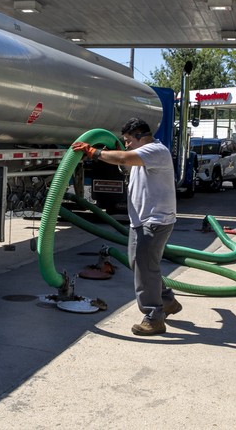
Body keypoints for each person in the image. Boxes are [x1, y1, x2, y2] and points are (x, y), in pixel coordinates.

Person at [72, 117, 180, 336]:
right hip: (141, 220)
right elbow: (125, 158)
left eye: (129, 140)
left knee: (144, 267)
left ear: (140, 136)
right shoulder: (144, 155)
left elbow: (124, 156)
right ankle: (167, 299)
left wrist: (94, 152)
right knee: (139, 264)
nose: (127, 144)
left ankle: (154, 316)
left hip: (155, 221)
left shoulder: (155, 151)